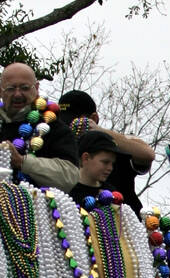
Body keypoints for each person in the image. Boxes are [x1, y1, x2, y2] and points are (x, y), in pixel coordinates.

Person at [58, 89, 155, 216]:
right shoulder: (63, 147)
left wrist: (99, 131)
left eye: (76, 123)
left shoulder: (117, 143)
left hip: (122, 222)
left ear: (93, 118)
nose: (68, 128)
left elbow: (147, 154)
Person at [0, 63, 79, 191]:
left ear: (36, 88)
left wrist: (22, 162)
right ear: (0, 90)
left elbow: (70, 176)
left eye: (24, 88)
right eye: (10, 88)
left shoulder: (53, 127)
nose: (17, 94)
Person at [66, 126, 118, 205]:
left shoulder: (111, 194)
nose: (110, 168)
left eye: (112, 163)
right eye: (105, 162)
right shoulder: (66, 190)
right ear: (86, 158)